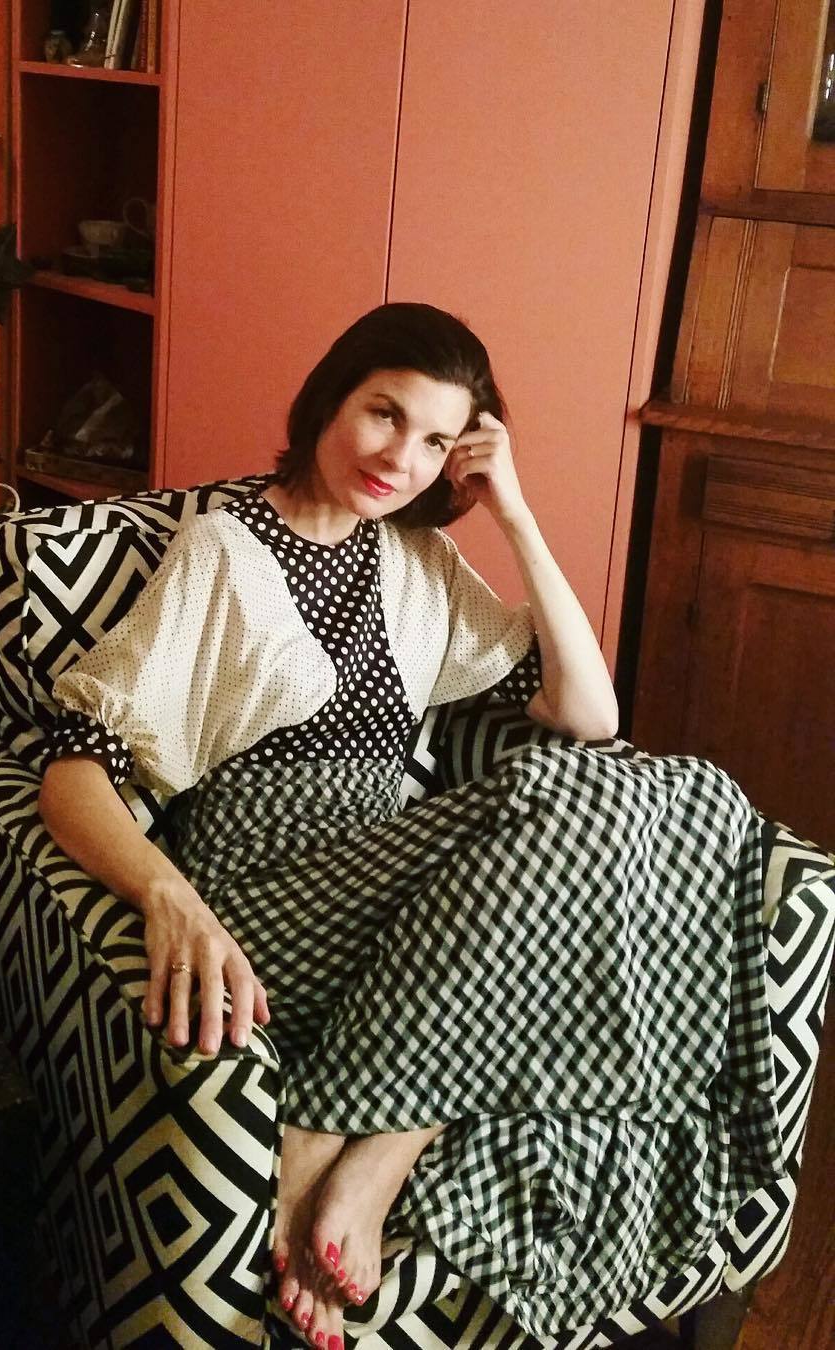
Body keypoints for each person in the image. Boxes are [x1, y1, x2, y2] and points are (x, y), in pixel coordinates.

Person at [38, 303, 782, 1346]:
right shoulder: (223, 551)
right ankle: (360, 1133)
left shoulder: (413, 560)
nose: (401, 458)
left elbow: (590, 715)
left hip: (397, 897)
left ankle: (360, 1136)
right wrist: (170, 896)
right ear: (328, 399)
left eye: (436, 440)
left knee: (686, 793)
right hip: (267, 894)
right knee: (602, 794)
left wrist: (514, 513)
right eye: (384, 414)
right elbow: (74, 769)